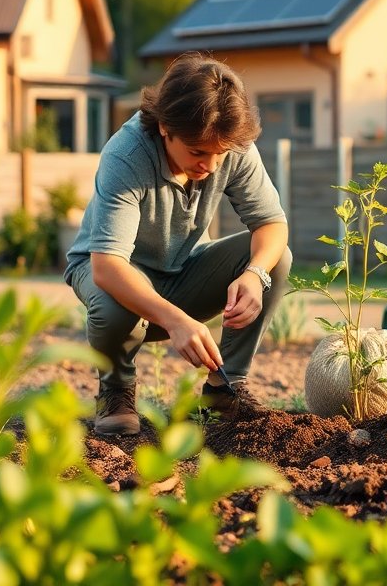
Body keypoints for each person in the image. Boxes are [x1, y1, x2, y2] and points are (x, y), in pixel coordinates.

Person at [64, 54, 291, 436]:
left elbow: (272, 224)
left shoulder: (228, 143)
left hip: (182, 270)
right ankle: (117, 390)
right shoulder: (128, 154)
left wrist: (253, 275)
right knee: (111, 298)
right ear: (166, 127)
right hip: (112, 272)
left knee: (275, 259)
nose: (212, 165)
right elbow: (107, 266)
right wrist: (174, 320)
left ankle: (223, 390)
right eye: (198, 152)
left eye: (219, 154)